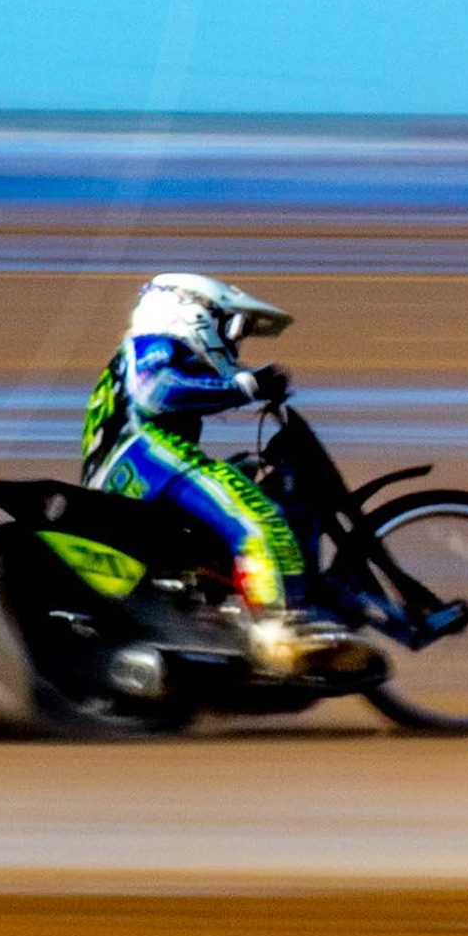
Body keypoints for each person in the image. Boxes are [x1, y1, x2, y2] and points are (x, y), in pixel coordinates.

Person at [80, 271, 376, 681]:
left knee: (249, 483)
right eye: (230, 329)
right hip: (145, 456)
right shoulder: (154, 343)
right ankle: (279, 627)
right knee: (257, 517)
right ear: (194, 314)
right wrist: (245, 386)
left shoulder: (151, 350)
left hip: (130, 471)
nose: (234, 344)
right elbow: (157, 391)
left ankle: (222, 619)